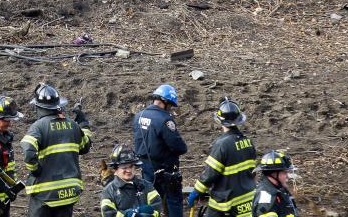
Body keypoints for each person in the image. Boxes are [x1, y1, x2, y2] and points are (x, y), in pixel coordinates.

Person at [20, 84, 92, 217]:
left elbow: (28, 148)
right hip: (68, 192)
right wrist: (83, 123)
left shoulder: (38, 127)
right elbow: (85, 146)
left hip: (45, 193)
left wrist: (34, 169)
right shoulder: (72, 125)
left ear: (38, 107)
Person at [187, 98, 256, 217]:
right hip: (248, 201)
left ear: (220, 121)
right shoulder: (248, 142)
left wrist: (196, 191)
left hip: (225, 203)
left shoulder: (222, 144)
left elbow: (210, 174)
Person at [133, 84, 186, 217]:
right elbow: (179, 147)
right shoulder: (165, 120)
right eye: (170, 105)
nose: (170, 108)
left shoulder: (139, 116)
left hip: (146, 168)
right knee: (174, 200)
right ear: (165, 102)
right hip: (166, 169)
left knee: (150, 200)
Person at [100, 145, 161, 217]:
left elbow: (157, 207)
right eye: (124, 167)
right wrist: (128, 215)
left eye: (131, 166)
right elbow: (108, 214)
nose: (129, 170)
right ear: (115, 169)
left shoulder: (147, 186)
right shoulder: (108, 191)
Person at [0, 95, 24, 217]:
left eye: (11, 120)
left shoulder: (5, 137)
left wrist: (11, 188)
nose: (10, 124)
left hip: (5, 197)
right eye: (6, 120)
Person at [252, 151, 297, 217]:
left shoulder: (279, 189)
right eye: (285, 173)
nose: (287, 176)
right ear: (274, 174)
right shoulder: (266, 197)